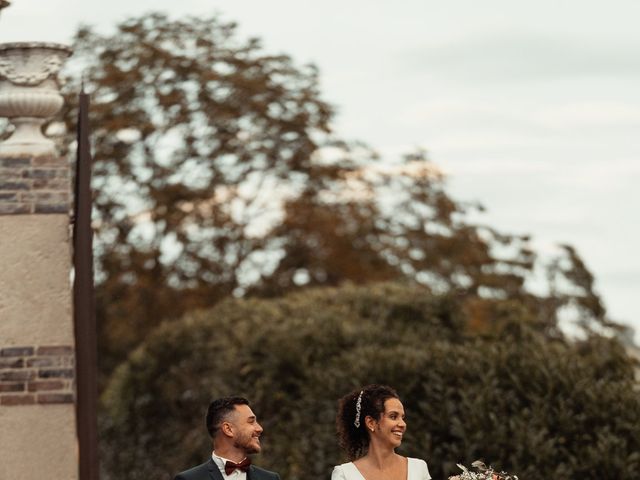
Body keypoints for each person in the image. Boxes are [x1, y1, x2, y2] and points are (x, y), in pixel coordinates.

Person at [331, 385, 431, 480]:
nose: (402, 424)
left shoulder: (418, 468)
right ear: (371, 423)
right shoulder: (345, 474)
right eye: (393, 416)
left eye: (402, 417)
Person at [174, 396, 281, 480]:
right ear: (228, 429)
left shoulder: (271, 478)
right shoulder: (189, 479)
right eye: (251, 421)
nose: (260, 428)